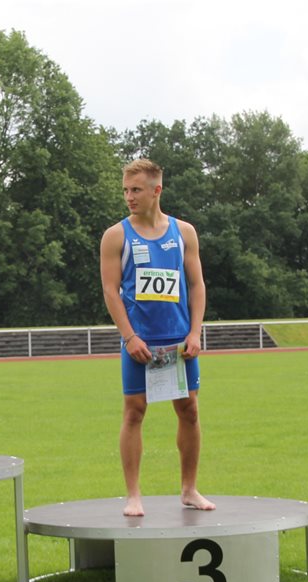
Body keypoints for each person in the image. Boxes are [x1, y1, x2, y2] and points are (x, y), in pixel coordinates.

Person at [100, 158, 216, 517]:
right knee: (134, 413)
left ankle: (189, 490)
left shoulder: (184, 233)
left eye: (136, 190)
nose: (129, 197)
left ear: (156, 190)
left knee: (190, 412)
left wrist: (195, 332)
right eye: (125, 190)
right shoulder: (116, 235)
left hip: (180, 342)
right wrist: (129, 336)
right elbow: (110, 289)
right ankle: (133, 495)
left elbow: (196, 285)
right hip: (139, 343)